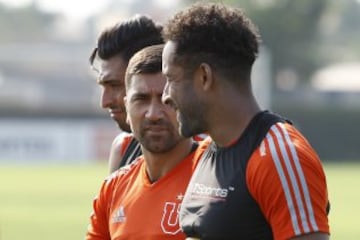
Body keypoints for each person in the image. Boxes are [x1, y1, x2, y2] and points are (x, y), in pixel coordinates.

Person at [161, 2, 330, 240]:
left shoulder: (279, 156)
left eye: (171, 79)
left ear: (204, 77)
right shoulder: (206, 151)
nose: (165, 95)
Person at [86, 44, 208, 240]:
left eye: (167, 100)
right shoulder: (113, 188)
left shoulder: (217, 175)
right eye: (141, 99)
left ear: (188, 104)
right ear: (126, 107)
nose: (153, 114)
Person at [89, 15, 164, 172]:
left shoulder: (207, 154)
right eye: (103, 86)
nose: (104, 102)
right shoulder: (123, 148)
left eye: (115, 85)